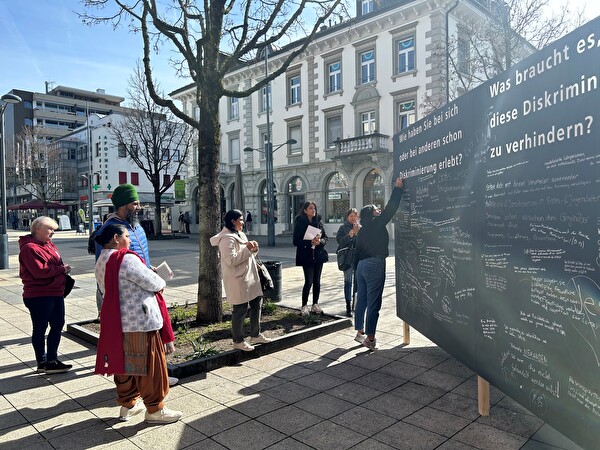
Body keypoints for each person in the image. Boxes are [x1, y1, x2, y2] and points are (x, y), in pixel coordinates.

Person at [94, 223, 183, 424]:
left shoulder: (102, 260)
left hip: (118, 323)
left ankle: (128, 405)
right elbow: (156, 283)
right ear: (116, 238)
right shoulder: (126, 258)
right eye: (126, 235)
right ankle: (155, 410)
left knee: (124, 365)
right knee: (151, 367)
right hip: (140, 321)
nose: (130, 239)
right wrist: (154, 274)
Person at [354, 177, 405, 350]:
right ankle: (371, 338)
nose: (379, 210)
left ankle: (360, 331)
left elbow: (357, 250)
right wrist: (397, 189)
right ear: (372, 213)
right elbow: (391, 209)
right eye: (376, 209)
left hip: (360, 267)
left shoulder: (362, 229)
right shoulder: (376, 223)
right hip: (374, 264)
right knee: (374, 303)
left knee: (362, 300)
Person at [210, 209, 272, 351]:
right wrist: (247, 249)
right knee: (240, 309)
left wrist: (254, 249)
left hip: (249, 277)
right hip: (238, 279)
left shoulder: (240, 234)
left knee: (257, 303)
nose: (243, 222)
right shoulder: (226, 238)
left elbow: (248, 254)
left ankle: (255, 334)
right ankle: (238, 340)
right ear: (233, 221)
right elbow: (231, 260)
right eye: (241, 220)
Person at [18, 216, 73, 374]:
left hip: (55, 292)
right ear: (37, 229)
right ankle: (42, 361)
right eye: (49, 229)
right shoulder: (29, 248)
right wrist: (62, 270)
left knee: (57, 325)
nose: (52, 232)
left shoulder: (48, 244)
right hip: (39, 295)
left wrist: (61, 269)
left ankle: (51, 360)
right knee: (40, 328)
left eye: (54, 229)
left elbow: (54, 264)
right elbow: (39, 272)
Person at [293, 201, 329, 316]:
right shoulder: (300, 222)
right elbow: (296, 241)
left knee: (317, 281)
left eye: (314, 208)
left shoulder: (319, 221)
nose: (313, 210)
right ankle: (304, 306)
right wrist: (310, 242)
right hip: (306, 255)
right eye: (311, 208)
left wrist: (319, 242)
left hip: (318, 255)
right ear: (305, 210)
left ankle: (315, 304)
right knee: (308, 281)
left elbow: (325, 238)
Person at [336, 208, 361, 317]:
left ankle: (355, 305)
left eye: (355, 216)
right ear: (347, 217)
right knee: (348, 281)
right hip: (347, 259)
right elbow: (340, 242)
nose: (353, 218)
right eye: (351, 216)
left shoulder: (361, 227)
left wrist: (359, 233)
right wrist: (349, 235)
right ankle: (347, 306)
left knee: (357, 282)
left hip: (358, 258)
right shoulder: (343, 228)